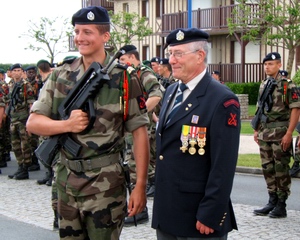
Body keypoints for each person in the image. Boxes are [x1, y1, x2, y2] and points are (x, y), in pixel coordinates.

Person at [26, 6, 149, 240]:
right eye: (77, 31)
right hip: (66, 181)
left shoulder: (125, 78)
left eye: (87, 32)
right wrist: (67, 125)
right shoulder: (60, 75)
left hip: (106, 184)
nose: (80, 38)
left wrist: (139, 185)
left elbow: (139, 133)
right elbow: (33, 123)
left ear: (105, 37)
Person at [152, 28, 240, 239]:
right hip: (168, 212)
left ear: (200, 56)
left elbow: (223, 165)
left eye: (178, 54)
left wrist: (211, 212)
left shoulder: (222, 100)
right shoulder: (173, 91)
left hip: (198, 217)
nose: (171, 60)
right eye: (170, 53)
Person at [118, 44, 163, 225]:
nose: (120, 63)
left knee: (137, 168)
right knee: (131, 167)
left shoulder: (143, 73)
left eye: (122, 60)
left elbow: (157, 94)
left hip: (141, 130)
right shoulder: (129, 74)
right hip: (130, 130)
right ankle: (135, 207)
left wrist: (139, 115)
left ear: (132, 58)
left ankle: (140, 211)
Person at [253, 52, 300, 218]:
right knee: (268, 168)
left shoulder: (288, 85)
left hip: (280, 133)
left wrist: (289, 133)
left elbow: (296, 108)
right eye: (265, 64)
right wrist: (256, 129)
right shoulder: (263, 84)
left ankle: (281, 204)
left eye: (271, 64)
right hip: (265, 133)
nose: (267, 67)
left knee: (281, 169)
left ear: (279, 65)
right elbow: (260, 108)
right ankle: (271, 200)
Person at [6, 64, 35, 180]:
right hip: (13, 118)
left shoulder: (25, 85)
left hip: (23, 118)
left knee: (25, 145)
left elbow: (31, 103)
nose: (17, 72)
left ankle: (25, 168)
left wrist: (30, 120)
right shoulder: (11, 85)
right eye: (15, 70)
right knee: (15, 145)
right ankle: (20, 166)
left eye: (19, 70)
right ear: (11, 73)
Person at [24, 65, 41, 172]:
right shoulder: (24, 84)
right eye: (29, 72)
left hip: (36, 113)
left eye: (32, 72)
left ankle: (35, 161)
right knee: (27, 141)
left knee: (34, 140)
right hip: (25, 114)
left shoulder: (37, 84)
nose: (31, 74)